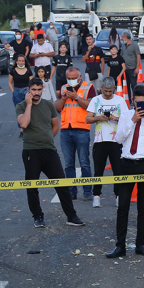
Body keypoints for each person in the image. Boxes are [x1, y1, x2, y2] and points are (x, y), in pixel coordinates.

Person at [17, 77, 86, 228]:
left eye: (39, 89)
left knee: (61, 183)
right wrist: (29, 105)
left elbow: (55, 126)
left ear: (43, 89)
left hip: (49, 150)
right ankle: (38, 216)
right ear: (29, 90)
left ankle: (71, 215)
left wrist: (46, 139)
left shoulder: (48, 105)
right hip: (31, 151)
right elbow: (24, 123)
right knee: (32, 186)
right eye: (33, 90)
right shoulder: (22, 106)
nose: (36, 92)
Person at [106, 85, 144, 258]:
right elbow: (118, 139)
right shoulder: (125, 116)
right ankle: (120, 246)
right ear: (133, 100)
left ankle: (140, 244)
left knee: (143, 207)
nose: (141, 105)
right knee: (123, 205)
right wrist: (132, 120)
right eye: (138, 102)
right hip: (127, 163)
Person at [86, 76, 128, 208]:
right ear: (101, 89)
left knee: (118, 170)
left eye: (110, 91)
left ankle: (118, 196)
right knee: (98, 170)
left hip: (116, 141)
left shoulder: (120, 100)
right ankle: (96, 196)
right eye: (106, 91)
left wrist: (117, 118)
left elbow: (127, 120)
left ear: (114, 88)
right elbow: (88, 119)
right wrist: (99, 118)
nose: (108, 94)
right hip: (100, 140)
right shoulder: (95, 100)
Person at [55, 67, 96, 200]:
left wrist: (76, 97)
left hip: (82, 129)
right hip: (66, 130)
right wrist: (63, 99)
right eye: (69, 78)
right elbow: (56, 107)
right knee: (68, 164)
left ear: (79, 77)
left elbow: (91, 106)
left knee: (84, 162)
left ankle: (87, 191)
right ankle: (72, 192)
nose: (71, 81)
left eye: (74, 78)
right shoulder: (63, 88)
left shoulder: (88, 87)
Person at [120, 31, 141, 99]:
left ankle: (135, 98)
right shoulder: (123, 46)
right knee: (126, 85)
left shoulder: (134, 45)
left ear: (126, 38)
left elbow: (138, 56)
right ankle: (128, 99)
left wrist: (137, 68)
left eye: (122, 37)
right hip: (124, 69)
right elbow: (121, 56)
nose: (122, 39)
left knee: (133, 85)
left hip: (132, 68)